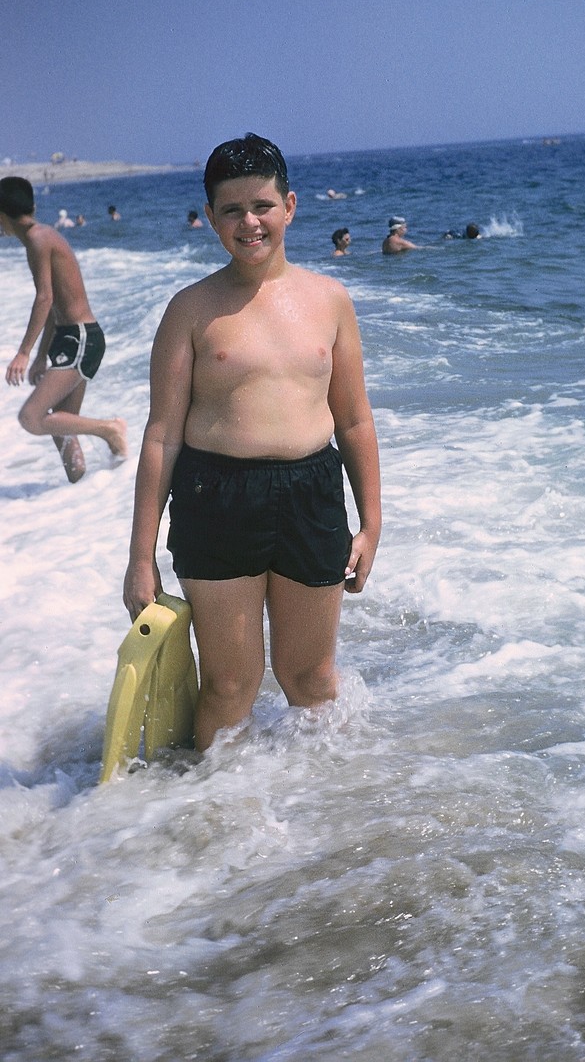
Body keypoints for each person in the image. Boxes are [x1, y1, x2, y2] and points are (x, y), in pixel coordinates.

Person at [123, 133, 381, 753]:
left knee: (311, 678)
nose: (249, 222)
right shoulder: (190, 310)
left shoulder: (330, 300)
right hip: (217, 498)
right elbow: (161, 435)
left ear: (289, 205)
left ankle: (324, 821)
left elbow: (354, 421)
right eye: (231, 210)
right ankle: (214, 823)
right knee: (230, 686)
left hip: (312, 492)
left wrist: (371, 524)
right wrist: (140, 556)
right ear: (210, 218)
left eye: (261, 205)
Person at [0, 176, 128, 482]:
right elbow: (54, 308)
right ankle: (80, 486)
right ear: (32, 205)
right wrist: (42, 356)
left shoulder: (37, 238)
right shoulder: (41, 235)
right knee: (62, 429)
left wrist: (23, 352)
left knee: (31, 417)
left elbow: (44, 298)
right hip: (69, 338)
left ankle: (109, 429)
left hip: (81, 338)